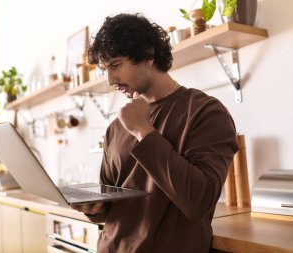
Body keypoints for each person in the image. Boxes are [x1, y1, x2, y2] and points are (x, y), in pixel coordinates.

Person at [72, 13, 239, 253]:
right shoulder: (116, 127)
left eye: (116, 65)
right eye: (104, 69)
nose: (109, 80)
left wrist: (144, 131)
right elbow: (110, 204)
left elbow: (199, 201)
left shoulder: (205, 112)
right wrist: (95, 208)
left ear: (148, 56)